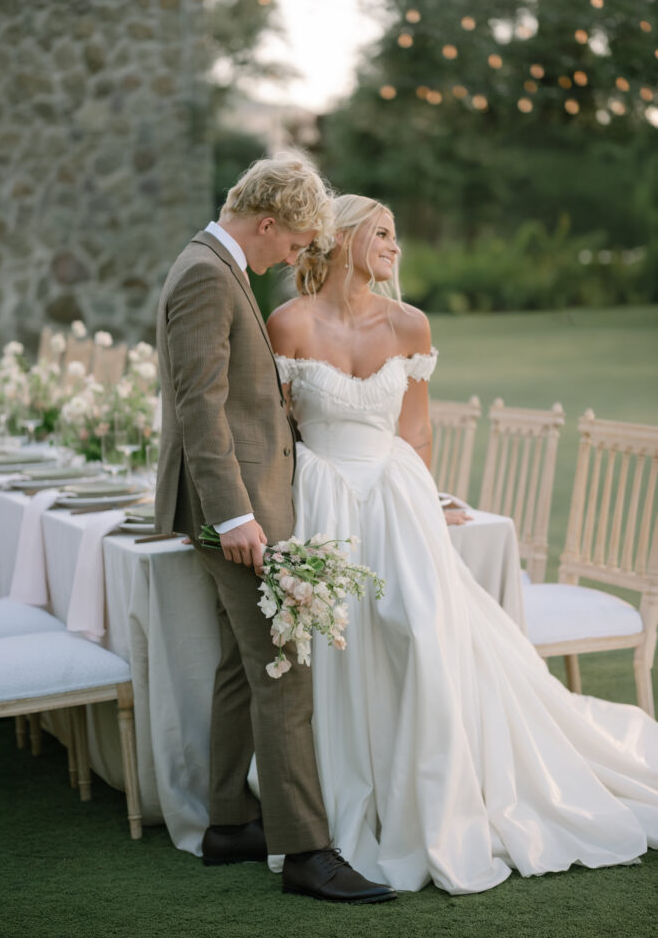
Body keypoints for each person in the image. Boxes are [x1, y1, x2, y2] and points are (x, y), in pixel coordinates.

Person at [266, 193, 658, 895]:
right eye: (380, 233)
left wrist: (427, 497)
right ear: (344, 237)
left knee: (417, 631)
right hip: (320, 498)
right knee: (335, 643)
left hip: (396, 496)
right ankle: (336, 805)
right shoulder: (288, 324)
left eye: (395, 235)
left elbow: (414, 431)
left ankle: (434, 799)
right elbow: (279, 432)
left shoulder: (409, 323)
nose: (393, 246)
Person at [154, 158, 396, 904]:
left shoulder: (214, 267)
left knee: (240, 665)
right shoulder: (205, 274)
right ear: (266, 223)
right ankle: (307, 852)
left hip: (245, 501)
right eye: (293, 242)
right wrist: (235, 515)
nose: (294, 257)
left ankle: (229, 821)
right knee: (285, 671)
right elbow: (201, 405)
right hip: (235, 510)